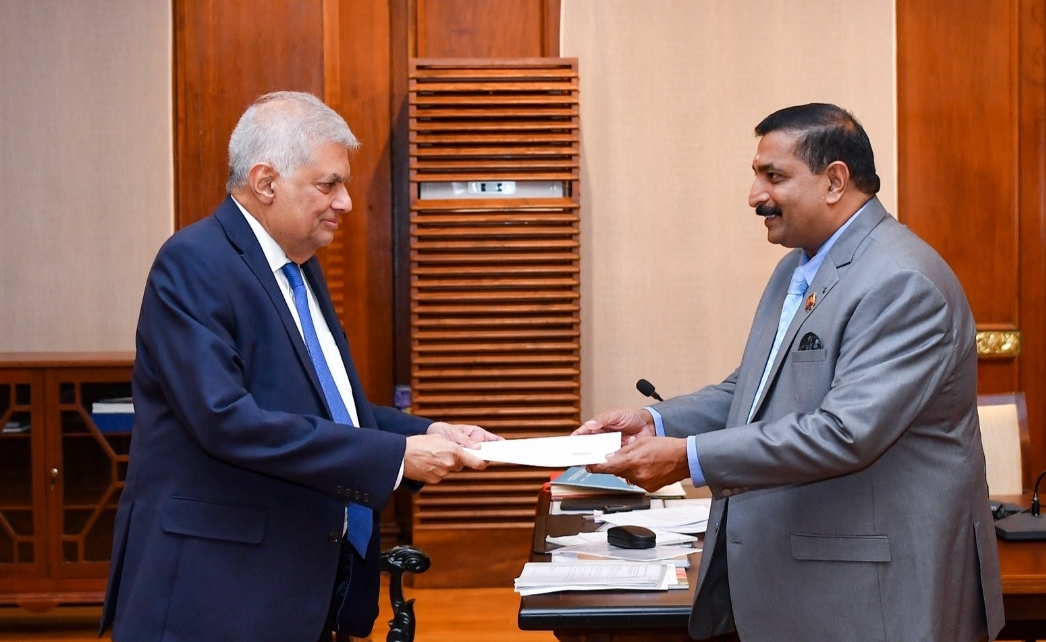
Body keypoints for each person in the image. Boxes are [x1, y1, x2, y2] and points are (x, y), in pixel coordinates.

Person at [575, 103, 1004, 642]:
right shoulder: (797, 267)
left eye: (773, 177)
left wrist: (688, 457)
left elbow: (845, 433)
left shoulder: (901, 281)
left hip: (876, 597)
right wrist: (656, 422)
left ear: (835, 181)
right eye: (757, 176)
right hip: (807, 583)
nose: (755, 195)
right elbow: (752, 390)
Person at [100, 91, 498, 642]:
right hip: (215, 593)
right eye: (328, 184)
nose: (346, 203)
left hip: (297, 586)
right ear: (265, 182)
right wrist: (395, 457)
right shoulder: (194, 262)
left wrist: (428, 431)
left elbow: (328, 408)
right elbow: (226, 421)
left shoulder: (298, 266)